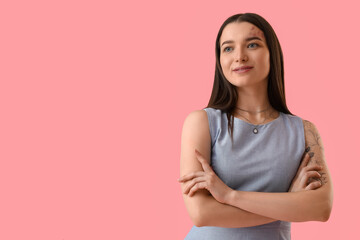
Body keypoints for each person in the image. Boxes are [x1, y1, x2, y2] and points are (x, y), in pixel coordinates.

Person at [178, 13, 333, 239]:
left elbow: (321, 208)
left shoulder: (304, 131)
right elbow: (201, 214)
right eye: (228, 48)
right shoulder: (201, 122)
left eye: (252, 44)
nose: (239, 56)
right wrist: (290, 204)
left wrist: (229, 196)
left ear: (272, 53)